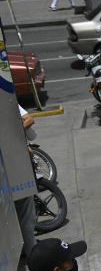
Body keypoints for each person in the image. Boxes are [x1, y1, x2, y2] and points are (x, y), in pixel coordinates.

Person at [16, 106, 38, 255]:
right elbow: (29, 119)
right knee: (26, 215)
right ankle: (32, 254)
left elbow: (29, 119)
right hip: (16, 168)